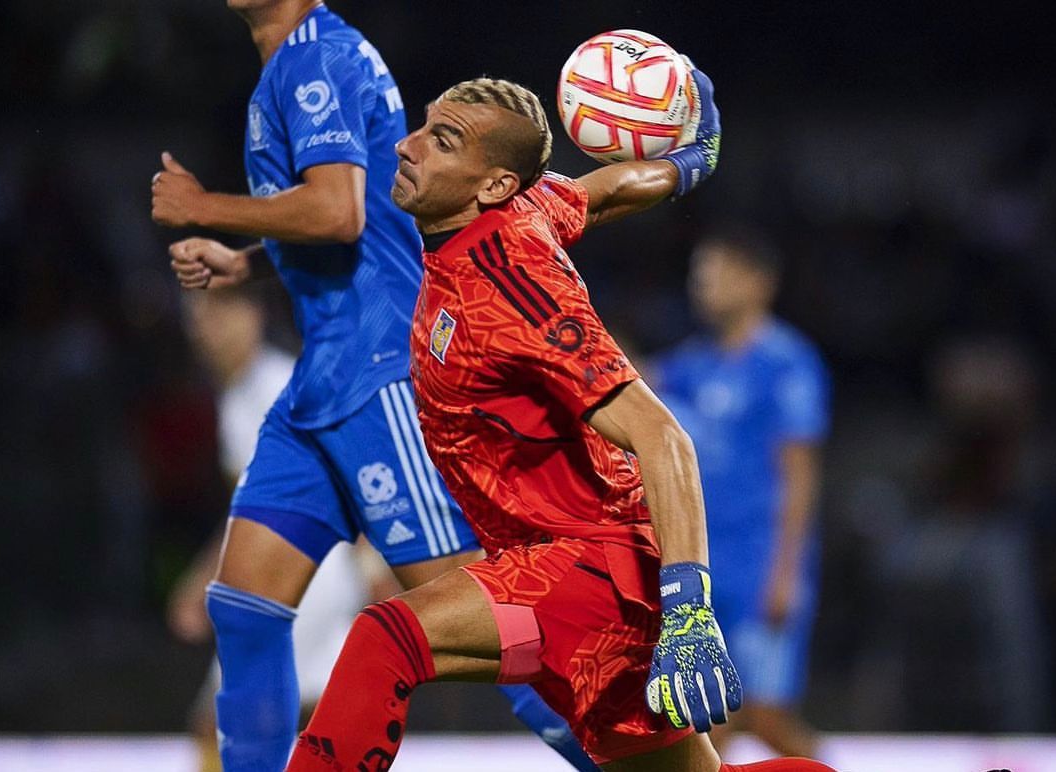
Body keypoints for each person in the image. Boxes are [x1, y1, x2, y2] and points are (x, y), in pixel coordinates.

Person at [286, 69, 836, 772]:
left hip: (582, 573)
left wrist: (688, 611)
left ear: (490, 185)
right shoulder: (520, 210)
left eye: (443, 140)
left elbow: (660, 435)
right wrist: (689, 161)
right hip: (555, 569)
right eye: (424, 124)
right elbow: (599, 190)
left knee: (386, 639)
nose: (407, 145)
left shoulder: (514, 286)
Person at [151, 3, 595, 771]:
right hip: (322, 379)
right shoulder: (291, 64)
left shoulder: (316, 59)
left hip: (380, 371)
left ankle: (630, 754)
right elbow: (358, 213)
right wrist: (248, 259)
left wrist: (205, 210)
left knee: (480, 618)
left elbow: (337, 212)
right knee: (244, 608)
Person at [167, 286, 382, 772]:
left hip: (302, 578)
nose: (207, 330)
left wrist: (373, 563)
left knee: (221, 722)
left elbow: (352, 472)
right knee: (313, 719)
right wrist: (206, 574)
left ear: (254, 313)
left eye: (220, 314)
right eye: (198, 318)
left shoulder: (277, 389)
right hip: (294, 577)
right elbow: (248, 510)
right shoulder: (238, 398)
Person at [652, 229, 830, 758]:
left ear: (758, 283)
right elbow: (629, 378)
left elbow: (799, 473)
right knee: (709, 716)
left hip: (761, 563)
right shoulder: (692, 364)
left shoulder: (787, 363)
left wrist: (787, 572)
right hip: (703, 564)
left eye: (715, 273)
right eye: (697, 275)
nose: (701, 285)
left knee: (765, 714)